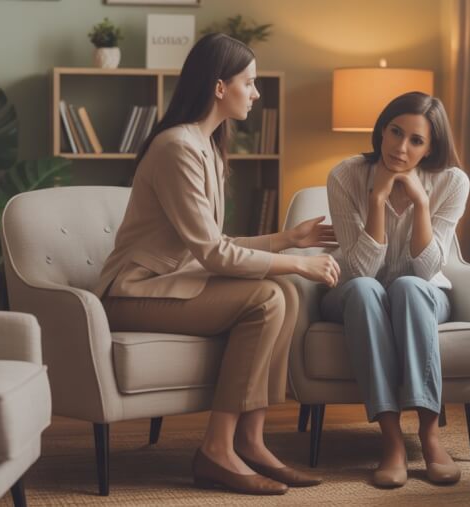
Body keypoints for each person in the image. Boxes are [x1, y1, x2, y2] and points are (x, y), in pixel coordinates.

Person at [93, 33, 340, 496]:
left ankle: (249, 439)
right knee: (271, 295)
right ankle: (217, 449)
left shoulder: (206, 146)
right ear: (220, 87)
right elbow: (213, 254)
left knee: (282, 293)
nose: (256, 92)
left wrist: (288, 240)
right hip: (132, 292)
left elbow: (212, 243)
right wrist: (298, 264)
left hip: (172, 283)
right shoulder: (177, 148)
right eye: (250, 82)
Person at [323, 91, 470, 488]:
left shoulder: (452, 181)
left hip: (421, 294)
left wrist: (421, 203)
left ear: (431, 147)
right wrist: (378, 199)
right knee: (368, 290)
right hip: (355, 295)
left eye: (416, 140)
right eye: (395, 132)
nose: (400, 148)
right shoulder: (344, 175)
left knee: (406, 286)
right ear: (382, 130)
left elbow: (426, 271)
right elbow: (358, 268)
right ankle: (391, 442)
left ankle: (430, 436)